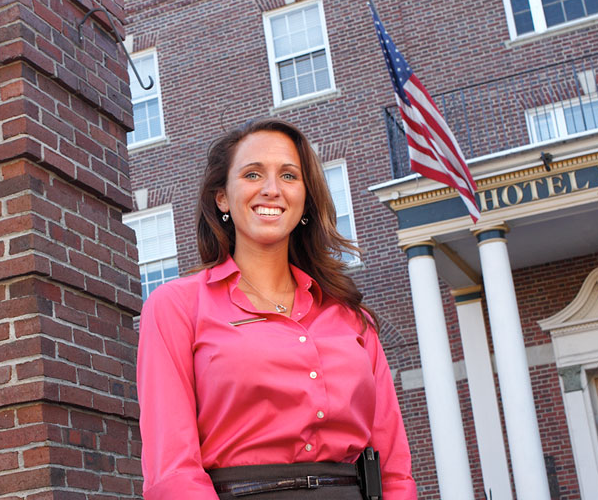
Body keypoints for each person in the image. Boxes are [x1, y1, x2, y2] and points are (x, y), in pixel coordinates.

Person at [137, 118, 417, 499]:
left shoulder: (352, 318)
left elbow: (395, 468)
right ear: (222, 197)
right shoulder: (176, 307)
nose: (271, 190)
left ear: (304, 198)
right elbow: (172, 468)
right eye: (253, 174)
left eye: (289, 176)